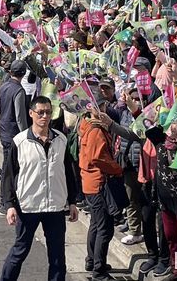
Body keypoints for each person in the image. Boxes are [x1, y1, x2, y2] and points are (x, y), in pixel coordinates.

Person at [0, 96, 79, 281]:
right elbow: (8, 176)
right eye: (40, 112)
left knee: (58, 256)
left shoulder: (61, 139)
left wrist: (73, 202)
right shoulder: (19, 142)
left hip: (55, 207)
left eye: (48, 112)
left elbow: (68, 172)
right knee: (20, 251)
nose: (44, 116)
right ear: (31, 113)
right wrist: (9, 205)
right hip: (28, 206)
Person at [78, 100, 124, 281]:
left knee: (96, 224)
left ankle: (92, 260)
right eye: (102, 107)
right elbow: (98, 158)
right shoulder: (96, 130)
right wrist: (116, 168)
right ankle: (98, 270)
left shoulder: (86, 124)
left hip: (89, 182)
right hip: (98, 183)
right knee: (104, 228)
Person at [0, 60, 29, 209]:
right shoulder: (19, 91)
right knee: (11, 169)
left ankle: (4, 199)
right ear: (23, 73)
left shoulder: (4, 86)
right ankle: (6, 200)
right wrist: (26, 136)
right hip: (14, 134)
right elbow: (20, 117)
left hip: (3, 130)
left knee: (6, 166)